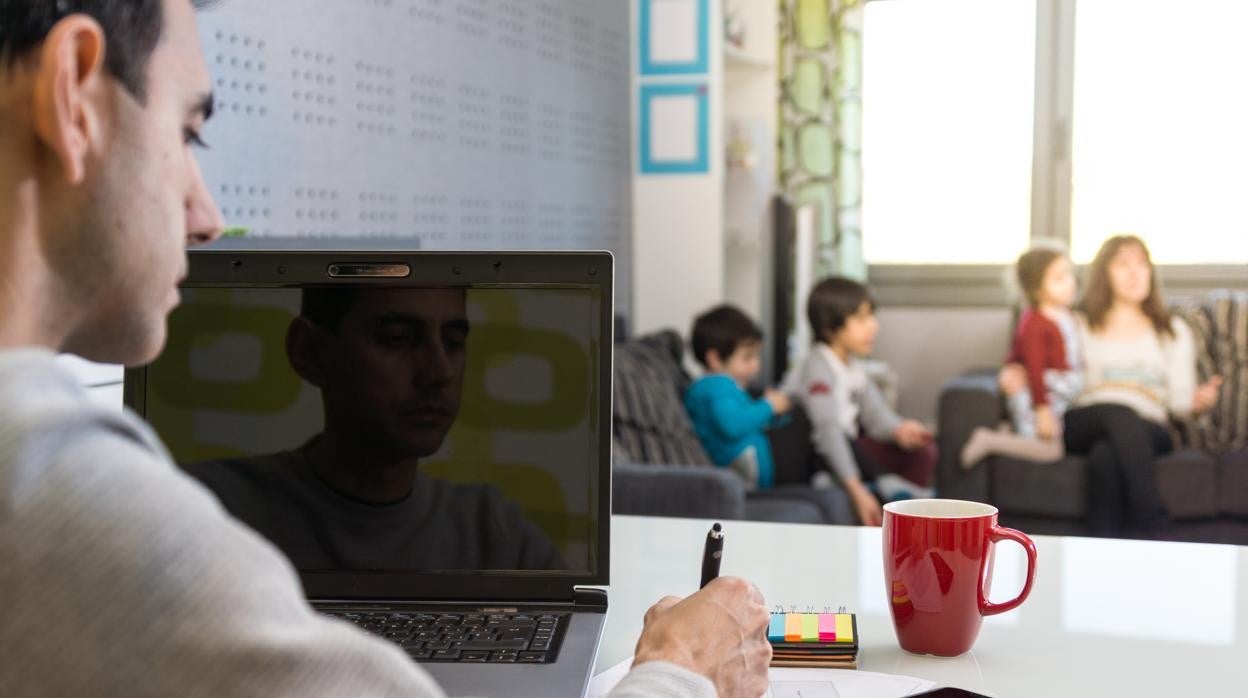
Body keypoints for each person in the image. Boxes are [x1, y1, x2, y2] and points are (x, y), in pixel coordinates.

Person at [0, 2, 771, 696]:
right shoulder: (63, 491)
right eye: (187, 131)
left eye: (454, 339)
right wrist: (680, 672)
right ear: (74, 91)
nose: (207, 214)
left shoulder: (492, 528)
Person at [186, 287, 563, 571]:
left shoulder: (493, 533)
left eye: (452, 342)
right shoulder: (211, 509)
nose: (439, 372)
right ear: (310, 352)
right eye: (398, 339)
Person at [1002, 235, 1222, 537]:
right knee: (1115, 415)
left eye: (1141, 264)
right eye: (1123, 264)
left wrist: (1198, 403)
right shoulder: (1077, 323)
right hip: (1085, 419)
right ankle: (1153, 528)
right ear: (1104, 273)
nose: (1135, 272)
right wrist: (1015, 370)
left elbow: (1178, 404)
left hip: (1148, 426)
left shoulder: (1172, 330)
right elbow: (1034, 347)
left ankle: (1099, 557)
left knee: (1106, 455)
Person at [785, 278, 937, 527]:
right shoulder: (818, 367)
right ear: (828, 327)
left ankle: (908, 512)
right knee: (839, 438)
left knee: (923, 450)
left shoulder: (854, 368)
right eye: (861, 319)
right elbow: (827, 430)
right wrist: (856, 490)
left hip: (848, 444)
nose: (874, 327)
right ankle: (888, 489)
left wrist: (898, 429)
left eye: (872, 317)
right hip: (814, 453)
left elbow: (876, 416)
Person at [962, 246, 1082, 467]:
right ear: (1037, 289)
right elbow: (1034, 369)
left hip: (1057, 395)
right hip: (1035, 396)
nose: (1070, 282)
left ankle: (1007, 432)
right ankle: (989, 440)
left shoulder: (1065, 315)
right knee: (1050, 451)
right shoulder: (1035, 323)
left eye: (1069, 274)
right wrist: (1043, 410)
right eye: (1059, 278)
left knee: (1051, 444)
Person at [684, 304, 792, 490]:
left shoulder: (726, 386)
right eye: (747, 358)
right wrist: (769, 406)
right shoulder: (715, 387)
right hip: (738, 479)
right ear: (715, 359)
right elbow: (732, 425)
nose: (755, 366)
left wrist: (773, 414)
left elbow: (749, 421)